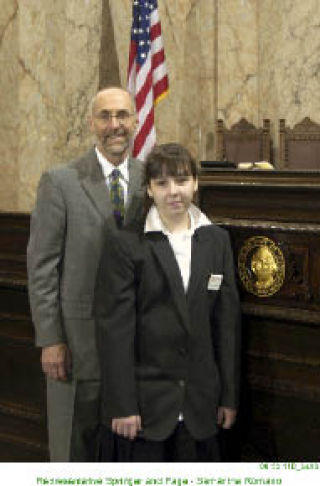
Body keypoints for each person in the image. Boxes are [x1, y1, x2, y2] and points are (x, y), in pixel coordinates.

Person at [95, 143, 241, 462]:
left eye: (182, 180)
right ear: (149, 188)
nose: (173, 192)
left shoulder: (217, 240)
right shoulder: (126, 243)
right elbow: (114, 331)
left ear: (196, 183)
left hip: (202, 405)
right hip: (146, 407)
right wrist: (122, 404)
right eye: (162, 183)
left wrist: (228, 396)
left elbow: (226, 327)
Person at [27, 86, 144, 462]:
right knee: (73, 451)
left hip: (137, 348)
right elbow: (42, 266)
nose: (115, 125)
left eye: (123, 115)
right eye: (106, 116)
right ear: (92, 122)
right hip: (77, 346)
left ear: (136, 120)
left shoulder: (153, 179)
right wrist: (50, 339)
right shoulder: (60, 181)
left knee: (126, 456)